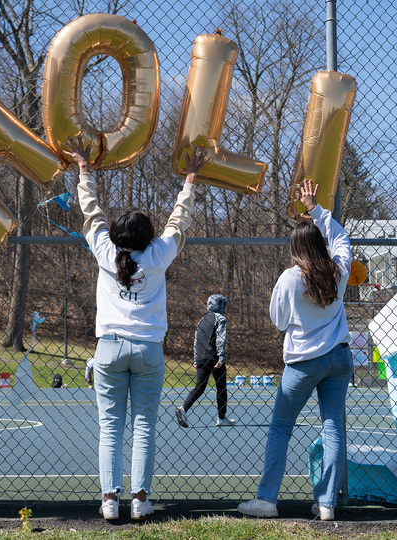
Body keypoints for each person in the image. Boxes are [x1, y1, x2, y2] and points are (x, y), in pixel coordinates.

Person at [65, 135, 208, 521]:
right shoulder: (159, 254)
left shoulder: (104, 251)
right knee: (144, 426)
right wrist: (190, 179)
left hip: (109, 349)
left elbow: (91, 212)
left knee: (109, 428)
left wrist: (84, 169)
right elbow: (180, 219)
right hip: (148, 351)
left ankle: (110, 501)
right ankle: (141, 500)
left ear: (117, 237)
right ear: (148, 236)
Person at [237, 178, 353, 522]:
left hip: (303, 363)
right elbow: (341, 237)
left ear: (294, 249)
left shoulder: (291, 278)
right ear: (320, 244)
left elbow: (278, 320)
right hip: (339, 358)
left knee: (280, 428)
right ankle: (327, 503)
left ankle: (267, 499)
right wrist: (314, 208)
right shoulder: (339, 270)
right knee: (333, 429)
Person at [175, 294, 235, 427]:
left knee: (200, 387)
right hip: (214, 357)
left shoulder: (202, 320)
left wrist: (196, 358)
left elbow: (196, 341)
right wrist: (221, 357)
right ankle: (221, 417)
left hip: (202, 357)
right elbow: (220, 339)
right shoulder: (220, 319)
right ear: (220, 305)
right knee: (221, 387)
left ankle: (184, 409)